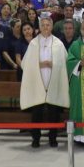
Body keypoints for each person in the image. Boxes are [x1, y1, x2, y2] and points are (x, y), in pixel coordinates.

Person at [19, 18, 69, 148]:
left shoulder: (58, 43)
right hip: (38, 83)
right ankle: (36, 138)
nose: (46, 27)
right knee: (36, 114)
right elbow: (25, 64)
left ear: (52, 27)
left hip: (53, 82)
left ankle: (53, 138)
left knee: (54, 113)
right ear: (39, 27)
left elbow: (65, 63)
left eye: (48, 25)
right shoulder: (34, 44)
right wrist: (38, 64)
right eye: (43, 25)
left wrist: (54, 64)